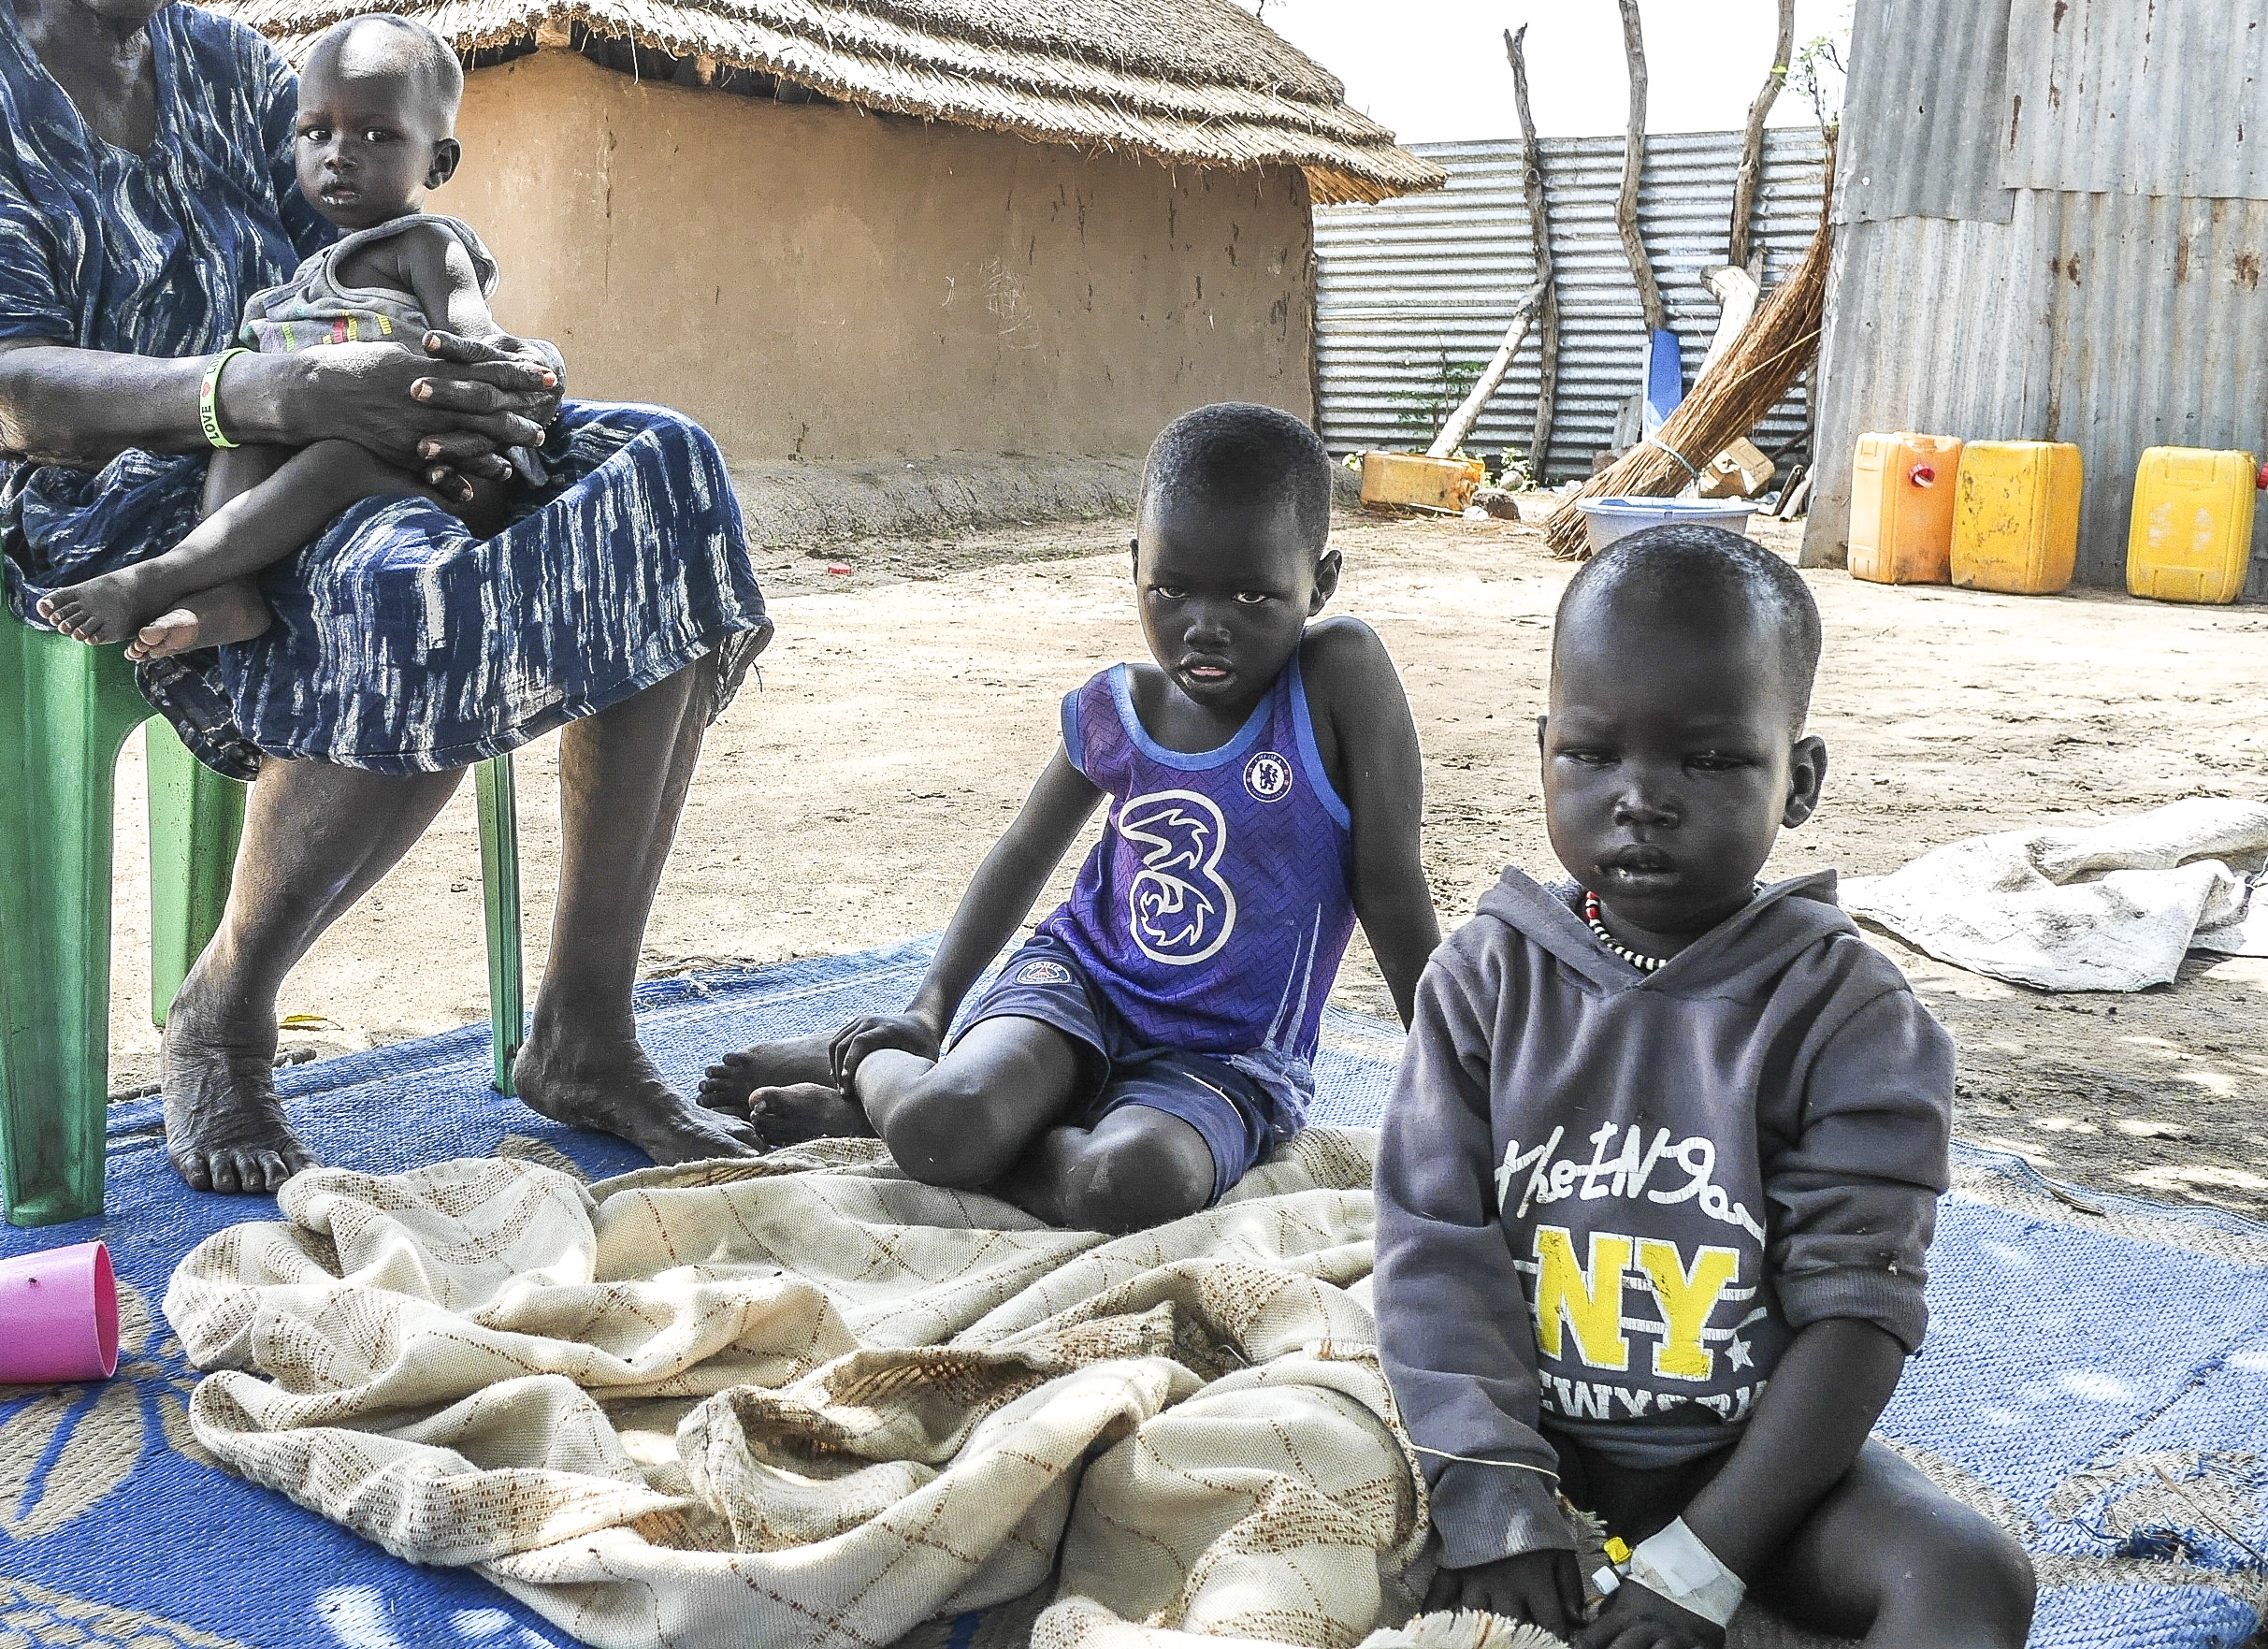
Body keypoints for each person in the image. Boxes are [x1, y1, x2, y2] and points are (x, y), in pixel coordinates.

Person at [0, 0, 773, 1194]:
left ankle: (582, 1024)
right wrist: (275, 390)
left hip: (277, 438)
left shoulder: (227, 70)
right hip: (21, 494)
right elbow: (1, 387)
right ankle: (224, 1014)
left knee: (650, 472)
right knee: (406, 568)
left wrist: (484, 378)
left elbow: (339, 280)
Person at [1371, 526, 2034, 1647]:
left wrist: (1708, 1557)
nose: (1641, 798)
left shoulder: (1846, 1013)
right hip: (1522, 1451)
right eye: (1591, 753)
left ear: (1801, 778)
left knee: (1966, 1576)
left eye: (1712, 760)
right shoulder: (1482, 981)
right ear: (1542, 749)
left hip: (1753, 1474)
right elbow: (1433, 1247)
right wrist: (1493, 1494)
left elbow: (1858, 1310)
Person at [701, 404, 1442, 1233]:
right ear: (1134, 564)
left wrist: (1452, 1086)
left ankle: (919, 1121)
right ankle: (878, 1063)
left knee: (1131, 1185)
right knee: (939, 1124)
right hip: (1076, 990)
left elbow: (1390, 886)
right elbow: (1022, 855)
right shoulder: (1116, 708)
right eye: (1169, 589)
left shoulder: (1337, 679)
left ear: (1322, 583)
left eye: (1253, 595)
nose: (1205, 625)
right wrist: (927, 1009)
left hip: (1222, 1057)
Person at [36, 14, 532, 659]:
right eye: (315, 133)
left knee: (334, 463)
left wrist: (521, 368)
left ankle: (160, 577)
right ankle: (230, 590)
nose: (338, 153)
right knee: (240, 426)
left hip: (449, 477)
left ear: (439, 164)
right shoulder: (299, 285)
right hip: (340, 469)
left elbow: (478, 342)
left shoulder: (427, 247)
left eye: (378, 135)